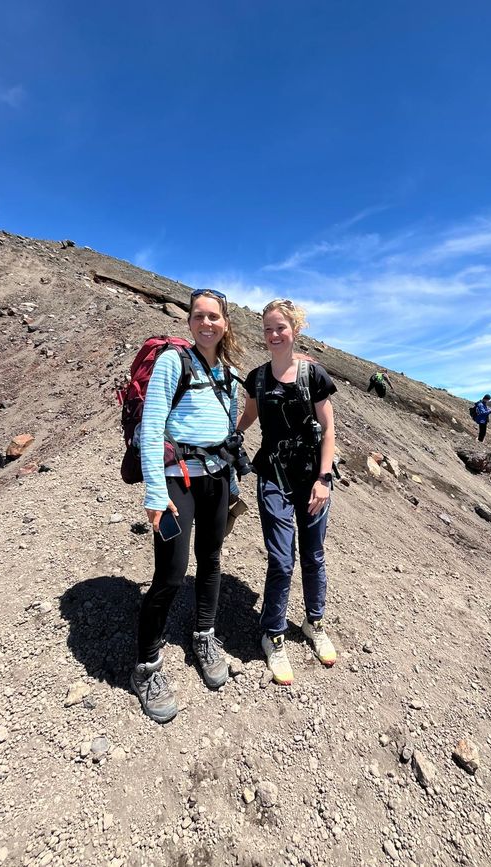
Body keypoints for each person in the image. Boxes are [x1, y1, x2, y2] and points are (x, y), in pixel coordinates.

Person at [131, 288, 242, 723]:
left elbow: (231, 434)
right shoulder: (172, 363)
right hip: (177, 481)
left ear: (225, 323)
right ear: (190, 322)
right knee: (171, 573)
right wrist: (155, 494)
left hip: (215, 481)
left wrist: (231, 482)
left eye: (214, 316)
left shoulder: (230, 374)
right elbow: (151, 426)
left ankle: (204, 634)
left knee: (211, 560)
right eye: (199, 315)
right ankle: (147, 666)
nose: (206, 323)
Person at [237, 299, 337, 685]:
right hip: (274, 477)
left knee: (313, 554)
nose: (274, 335)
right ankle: (273, 635)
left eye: (281, 327)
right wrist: (223, 437)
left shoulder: (313, 375)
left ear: (294, 330)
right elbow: (247, 418)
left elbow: (328, 429)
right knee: (282, 560)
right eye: (268, 329)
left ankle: (315, 623)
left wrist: (324, 480)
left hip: (313, 478)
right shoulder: (257, 379)